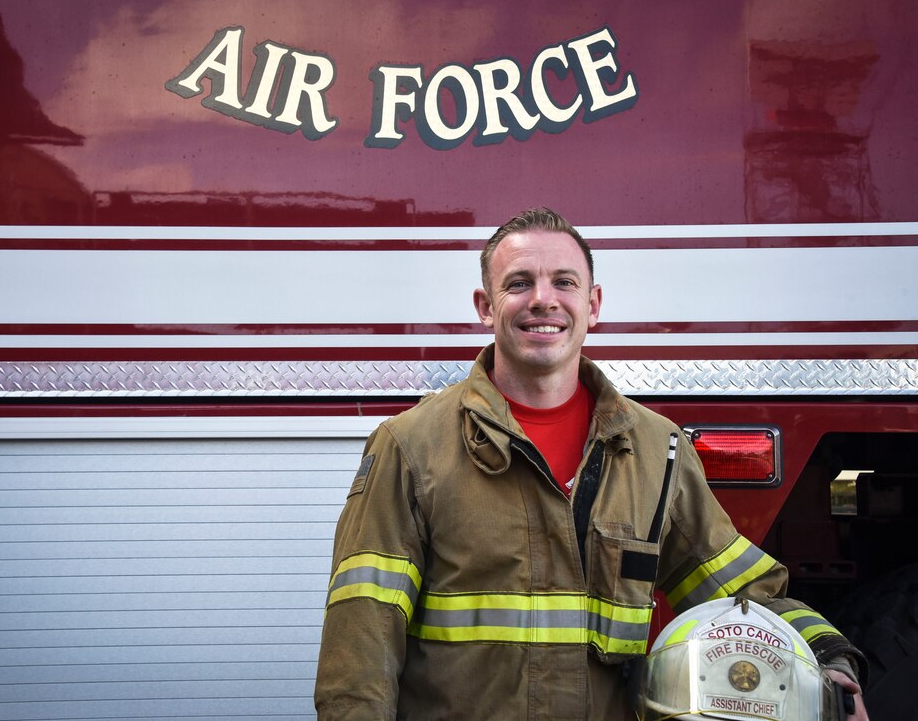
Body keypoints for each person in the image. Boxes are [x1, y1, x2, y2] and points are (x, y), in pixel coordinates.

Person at [314, 208, 867, 720]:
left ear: (593, 304)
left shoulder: (656, 449)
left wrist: (829, 658)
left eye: (564, 282)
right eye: (518, 283)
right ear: (486, 307)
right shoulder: (410, 446)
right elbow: (362, 637)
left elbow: (745, 596)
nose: (543, 300)